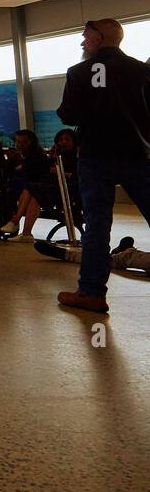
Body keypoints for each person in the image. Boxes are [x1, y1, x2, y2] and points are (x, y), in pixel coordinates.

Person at [54, 17, 150, 313]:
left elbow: (68, 115)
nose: (83, 43)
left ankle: (92, 292)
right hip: (138, 155)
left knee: (97, 225)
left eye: (86, 37)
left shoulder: (80, 72)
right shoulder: (143, 71)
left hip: (96, 157)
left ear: (100, 38)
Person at [0, 129, 52, 240]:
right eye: (18, 142)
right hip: (23, 188)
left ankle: (15, 221)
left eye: (24, 142)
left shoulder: (38, 158)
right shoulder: (16, 158)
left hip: (30, 188)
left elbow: (36, 175)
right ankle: (25, 232)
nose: (20, 145)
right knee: (32, 194)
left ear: (32, 142)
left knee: (31, 191)